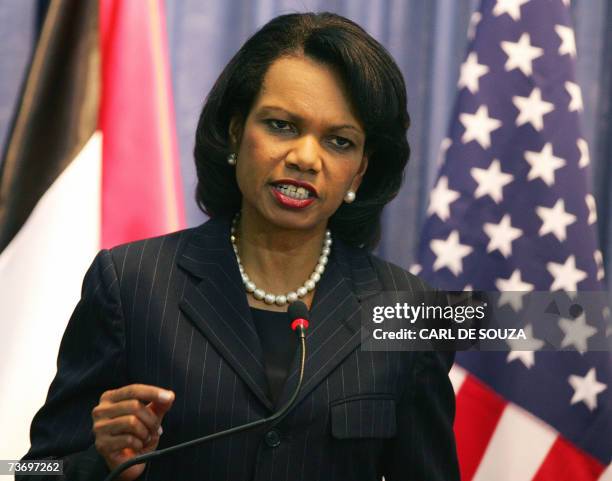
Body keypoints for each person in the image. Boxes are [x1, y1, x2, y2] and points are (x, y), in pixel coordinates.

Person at [19, 12, 459, 481]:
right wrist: (98, 465)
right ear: (235, 132)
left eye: (338, 140)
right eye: (282, 126)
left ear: (361, 169)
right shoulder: (131, 284)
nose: (306, 158)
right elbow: (29, 470)